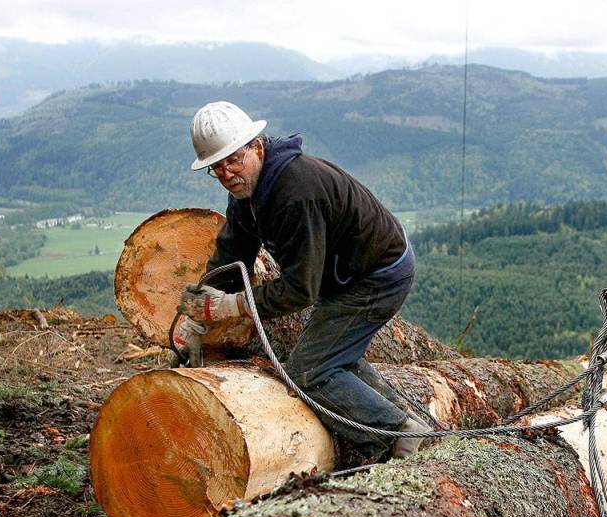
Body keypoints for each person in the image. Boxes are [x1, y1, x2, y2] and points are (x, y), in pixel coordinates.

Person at [174, 100, 428, 458]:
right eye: (217, 166)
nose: (227, 172)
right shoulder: (248, 194)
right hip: (349, 274)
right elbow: (231, 258)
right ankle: (407, 422)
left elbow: (299, 291)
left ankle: (396, 437)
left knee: (309, 373)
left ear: (257, 148)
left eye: (234, 159)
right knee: (333, 357)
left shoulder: (295, 194)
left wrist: (231, 306)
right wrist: (202, 308)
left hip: (377, 276)